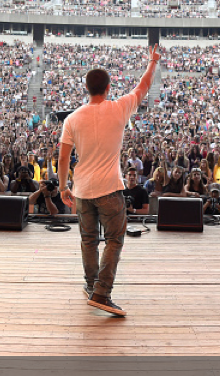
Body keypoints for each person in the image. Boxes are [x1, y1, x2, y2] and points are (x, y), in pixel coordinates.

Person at [58, 44, 160, 317]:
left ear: (86, 88)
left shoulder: (72, 118)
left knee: (88, 240)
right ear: (108, 87)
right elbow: (143, 86)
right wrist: (152, 62)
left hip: (82, 189)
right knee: (115, 239)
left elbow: (63, 158)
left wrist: (63, 187)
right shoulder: (119, 108)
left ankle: (92, 287)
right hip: (109, 189)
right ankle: (102, 293)